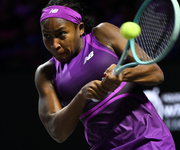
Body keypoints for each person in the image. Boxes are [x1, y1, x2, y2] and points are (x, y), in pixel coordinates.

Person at [35, 0, 175, 149]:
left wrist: (122, 75)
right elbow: (57, 132)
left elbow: (156, 73)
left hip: (148, 139)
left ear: (80, 28)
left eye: (61, 34)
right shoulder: (46, 73)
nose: (54, 44)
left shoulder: (102, 34)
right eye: (47, 36)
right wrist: (82, 96)